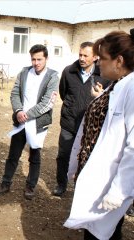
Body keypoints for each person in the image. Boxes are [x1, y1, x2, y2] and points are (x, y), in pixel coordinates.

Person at [64, 28, 134, 239]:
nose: (98, 62)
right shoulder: (117, 85)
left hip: (110, 183)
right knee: (94, 232)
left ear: (118, 61)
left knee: (104, 234)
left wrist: (119, 190)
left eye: (102, 58)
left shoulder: (131, 88)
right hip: (96, 177)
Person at [0, 44, 59, 200]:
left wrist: (27, 115)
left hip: (37, 122)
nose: (36, 63)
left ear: (46, 58)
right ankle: (5, 183)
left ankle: (30, 186)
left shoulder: (53, 76)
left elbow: (48, 102)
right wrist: (18, 111)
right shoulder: (24, 72)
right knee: (13, 155)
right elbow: (15, 93)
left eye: (39, 59)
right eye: (33, 59)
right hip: (21, 121)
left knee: (34, 155)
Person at [53, 42, 110, 197]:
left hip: (90, 127)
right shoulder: (68, 72)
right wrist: (71, 108)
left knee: (86, 157)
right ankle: (61, 184)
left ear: (95, 57)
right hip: (69, 123)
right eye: (80, 55)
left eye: (86, 55)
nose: (82, 58)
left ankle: (82, 188)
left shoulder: (104, 76)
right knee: (63, 155)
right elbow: (63, 93)